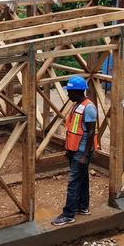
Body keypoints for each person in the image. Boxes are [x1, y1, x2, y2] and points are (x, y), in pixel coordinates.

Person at [52, 76, 98, 226]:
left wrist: (85, 154)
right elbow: (73, 129)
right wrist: (69, 150)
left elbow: (91, 132)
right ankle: (82, 207)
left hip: (82, 151)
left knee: (73, 183)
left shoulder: (89, 108)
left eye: (70, 92)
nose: (68, 94)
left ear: (77, 92)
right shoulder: (77, 105)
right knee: (82, 180)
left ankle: (68, 215)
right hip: (74, 149)